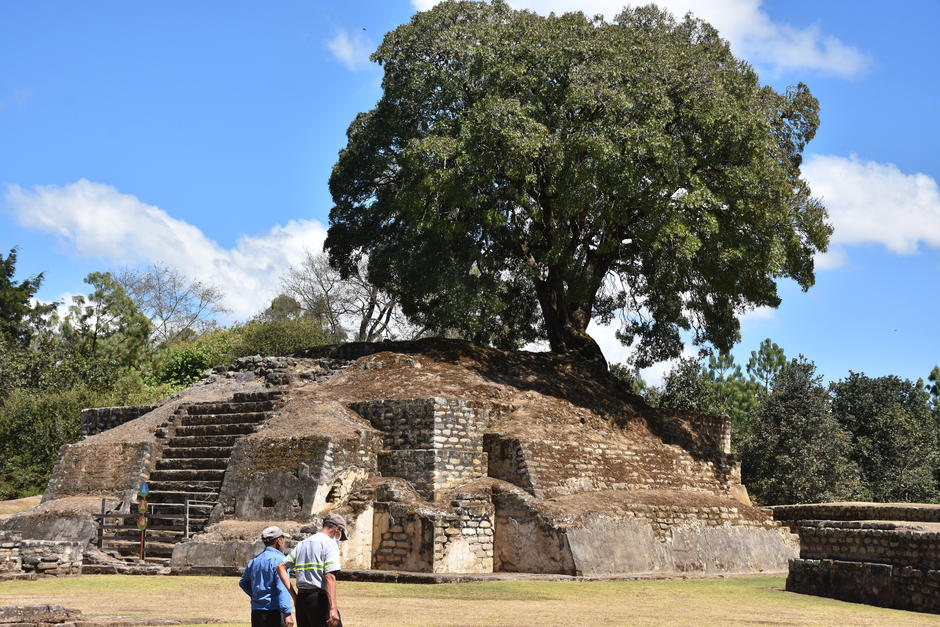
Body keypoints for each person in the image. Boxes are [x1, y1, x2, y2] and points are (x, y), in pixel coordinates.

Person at [276, 513, 347, 627]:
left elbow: (281, 567)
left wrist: (295, 596)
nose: (338, 537)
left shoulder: (303, 544)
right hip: (320, 600)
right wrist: (333, 608)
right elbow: (330, 577)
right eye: (340, 534)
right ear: (337, 529)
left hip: (302, 601)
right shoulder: (329, 543)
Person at [239, 525, 295, 627]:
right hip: (274, 611)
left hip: (257, 612)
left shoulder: (255, 561)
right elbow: (282, 588)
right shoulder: (280, 561)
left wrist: (255, 595)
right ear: (279, 541)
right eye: (283, 539)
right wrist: (287, 613)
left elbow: (243, 582)